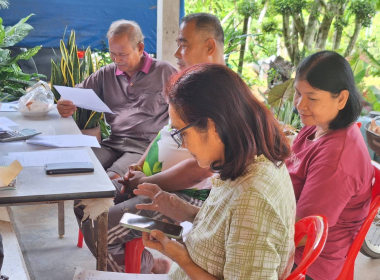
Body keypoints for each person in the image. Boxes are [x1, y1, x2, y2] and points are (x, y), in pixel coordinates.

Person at [75, 13, 227, 274]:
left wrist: (149, 182)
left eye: (184, 44)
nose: (177, 52)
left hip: (183, 203)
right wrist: (140, 166)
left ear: (209, 46)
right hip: (153, 183)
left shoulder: (222, 94)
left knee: (99, 228)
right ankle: (145, 265)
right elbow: (165, 133)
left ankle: (139, 268)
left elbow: (203, 168)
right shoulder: (191, 82)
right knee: (85, 203)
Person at [134, 63, 296, 279]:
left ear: (212, 126)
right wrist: (183, 210)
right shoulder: (243, 162)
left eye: (181, 133)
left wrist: (182, 258)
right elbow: (229, 227)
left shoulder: (253, 196)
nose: (182, 144)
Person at [285, 51, 373, 280]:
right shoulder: (316, 125)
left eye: (312, 98)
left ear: (341, 99)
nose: (300, 105)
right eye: (297, 93)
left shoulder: (338, 158)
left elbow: (303, 234)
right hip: (287, 231)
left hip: (306, 262)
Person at [57, 20, 177, 180]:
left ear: (140, 48)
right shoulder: (107, 73)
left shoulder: (164, 71)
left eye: (122, 54)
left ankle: (87, 205)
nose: (116, 59)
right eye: (112, 53)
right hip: (113, 142)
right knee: (78, 167)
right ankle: (78, 205)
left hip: (145, 147)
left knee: (111, 178)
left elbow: (188, 108)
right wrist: (64, 102)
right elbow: (74, 94)